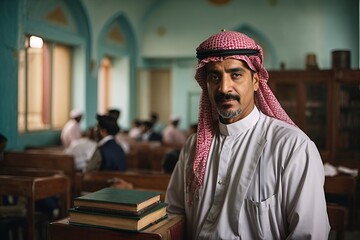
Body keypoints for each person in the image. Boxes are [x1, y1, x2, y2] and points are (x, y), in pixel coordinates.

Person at [165, 30, 330, 239]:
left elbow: (310, 235)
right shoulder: (194, 146)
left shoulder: (292, 147)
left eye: (236, 75)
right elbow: (175, 213)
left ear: (255, 81)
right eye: (214, 77)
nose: (224, 88)